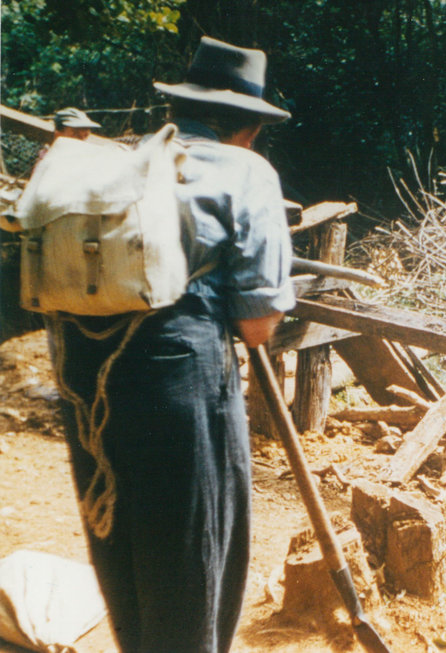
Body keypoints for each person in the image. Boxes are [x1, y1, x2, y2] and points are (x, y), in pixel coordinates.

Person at [50, 36, 294, 652]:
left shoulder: (132, 159)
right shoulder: (247, 170)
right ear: (250, 129)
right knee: (192, 559)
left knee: (122, 545)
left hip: (87, 381)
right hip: (180, 383)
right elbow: (258, 325)